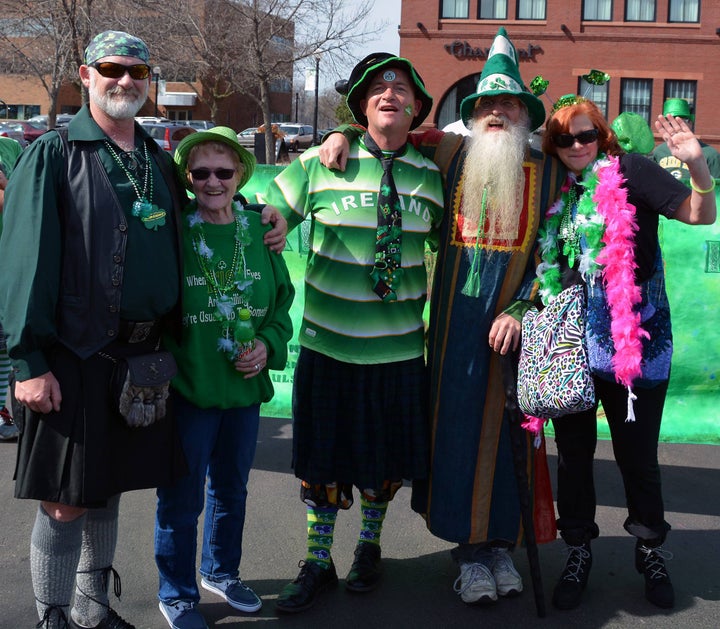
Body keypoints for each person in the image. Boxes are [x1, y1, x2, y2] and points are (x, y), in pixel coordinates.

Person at [320, 27, 561, 606]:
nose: (497, 114)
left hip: (516, 332)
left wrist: (526, 308)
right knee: (454, 435)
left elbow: (557, 256)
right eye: (487, 105)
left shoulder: (550, 173)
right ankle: (469, 554)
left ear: (525, 114)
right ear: (472, 114)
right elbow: (389, 129)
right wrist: (341, 132)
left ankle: (501, 544)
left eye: (508, 105)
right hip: (453, 334)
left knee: (512, 440)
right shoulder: (447, 154)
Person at [2, 30, 185, 629]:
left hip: (141, 357)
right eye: (112, 69)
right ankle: (52, 616)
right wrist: (27, 362)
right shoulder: (54, 154)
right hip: (71, 356)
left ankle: (91, 610)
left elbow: (209, 214)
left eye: (137, 71)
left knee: (106, 492)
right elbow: (23, 262)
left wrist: (266, 216)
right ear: (85, 75)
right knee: (64, 503)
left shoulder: (157, 159)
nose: (126, 80)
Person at [264, 53, 444, 613]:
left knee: (384, 464)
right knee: (321, 463)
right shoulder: (321, 165)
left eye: (402, 90)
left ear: (416, 108)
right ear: (361, 106)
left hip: (396, 354)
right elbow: (263, 221)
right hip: (328, 348)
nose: (390, 95)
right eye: (376, 90)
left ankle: (370, 547)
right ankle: (318, 558)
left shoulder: (435, 177)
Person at [538, 97, 716, 611]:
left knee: (637, 458)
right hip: (570, 342)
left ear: (603, 136)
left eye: (586, 135)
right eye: (564, 138)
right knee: (572, 457)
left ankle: (650, 547)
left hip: (637, 340)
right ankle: (578, 550)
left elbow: (699, 215)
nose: (576, 146)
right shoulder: (553, 182)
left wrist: (696, 162)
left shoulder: (631, 172)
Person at [154, 127, 294, 629]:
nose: (212, 182)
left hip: (243, 393)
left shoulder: (260, 229)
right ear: (188, 180)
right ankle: (177, 593)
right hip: (188, 390)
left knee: (231, 490)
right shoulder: (171, 229)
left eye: (223, 172)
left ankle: (222, 571)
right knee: (181, 498)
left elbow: (281, 308)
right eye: (200, 173)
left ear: (239, 177)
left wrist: (267, 346)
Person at [0, 139, 23, 440]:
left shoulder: (10, 148)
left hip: (8, 261)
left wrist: (7, 184)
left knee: (5, 345)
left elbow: (20, 199)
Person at [650, 98, 720, 181]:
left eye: (680, 122)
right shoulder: (659, 152)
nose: (675, 126)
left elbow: (716, 190)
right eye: (670, 123)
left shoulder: (711, 155)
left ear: (690, 122)